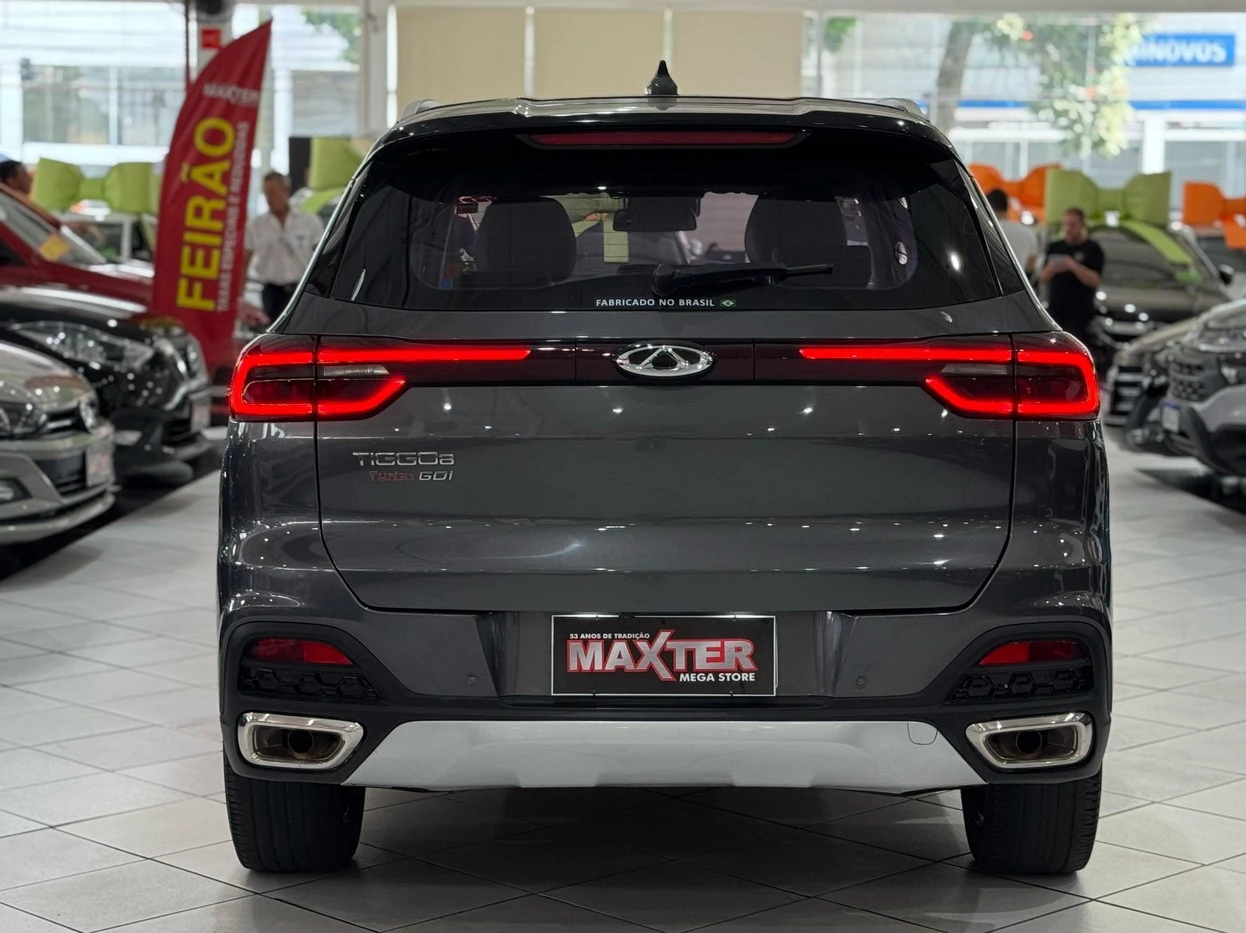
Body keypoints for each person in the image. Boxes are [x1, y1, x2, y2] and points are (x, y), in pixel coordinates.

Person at [241, 171, 324, 322]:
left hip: (302, 289)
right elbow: (244, 261)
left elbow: (323, 259)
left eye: (273, 191)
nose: (269, 197)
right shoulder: (257, 225)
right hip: (272, 293)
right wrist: (241, 297)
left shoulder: (309, 222)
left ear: (286, 191)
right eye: (266, 192)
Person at [1039, 207, 1105, 347]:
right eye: (1066, 224)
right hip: (1056, 310)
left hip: (1080, 312)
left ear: (1082, 226)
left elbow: (1094, 280)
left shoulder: (1093, 249)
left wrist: (1073, 266)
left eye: (1073, 225)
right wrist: (1052, 268)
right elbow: (1043, 278)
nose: (1068, 229)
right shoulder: (1056, 246)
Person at [986, 187, 1038, 276]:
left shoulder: (985, 231)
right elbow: (1030, 266)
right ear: (1007, 206)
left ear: (987, 206)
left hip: (989, 280)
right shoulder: (1027, 233)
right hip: (1017, 282)